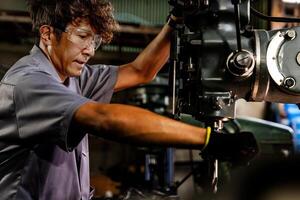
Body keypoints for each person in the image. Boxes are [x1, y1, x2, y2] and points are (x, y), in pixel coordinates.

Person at [0, 0, 258, 199]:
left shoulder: (72, 77)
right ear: (47, 34)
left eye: (95, 40)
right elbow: (104, 118)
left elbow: (140, 71)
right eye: (82, 37)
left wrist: (176, 20)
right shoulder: (28, 83)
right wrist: (208, 139)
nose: (90, 50)